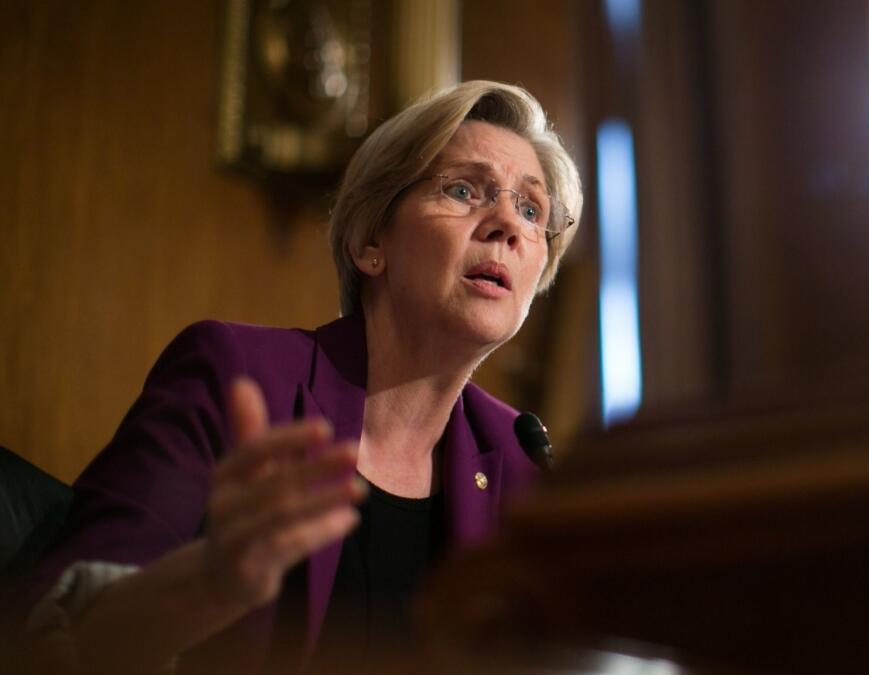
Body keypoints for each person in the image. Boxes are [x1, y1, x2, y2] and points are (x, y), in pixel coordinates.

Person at [18, 80, 582, 673]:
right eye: (465, 190)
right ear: (371, 242)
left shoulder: (519, 460)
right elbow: (50, 632)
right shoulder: (233, 376)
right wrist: (209, 583)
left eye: (530, 209)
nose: (507, 226)